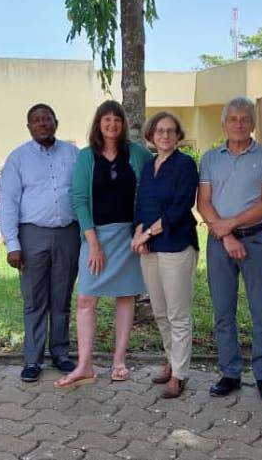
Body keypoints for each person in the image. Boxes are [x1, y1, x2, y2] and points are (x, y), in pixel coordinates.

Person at [54, 100, 152, 388]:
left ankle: (118, 360)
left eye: (117, 120)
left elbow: (151, 188)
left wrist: (143, 230)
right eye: (106, 119)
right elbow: (80, 201)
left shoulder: (138, 154)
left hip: (128, 237)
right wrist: (93, 243)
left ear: (123, 124)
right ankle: (84, 365)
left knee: (125, 296)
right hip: (95, 237)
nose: (112, 124)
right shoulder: (86, 157)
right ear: (98, 123)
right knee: (85, 299)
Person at [196, 96, 262, 402]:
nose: (239, 124)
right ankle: (230, 372)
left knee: (261, 310)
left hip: (256, 240)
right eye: (233, 119)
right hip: (220, 244)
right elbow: (203, 202)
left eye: (245, 119)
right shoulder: (209, 158)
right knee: (223, 311)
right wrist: (227, 235)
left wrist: (228, 225)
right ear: (224, 123)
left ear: (253, 124)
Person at [1, 104, 80, 383]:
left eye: (47, 119)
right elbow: (8, 202)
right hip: (32, 234)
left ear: (56, 122)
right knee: (34, 299)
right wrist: (12, 244)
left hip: (68, 234)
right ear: (29, 126)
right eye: (36, 120)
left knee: (62, 298)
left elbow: (82, 193)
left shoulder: (73, 155)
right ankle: (33, 359)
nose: (42, 124)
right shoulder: (18, 159)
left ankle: (60, 353)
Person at [131, 112, 199, 398]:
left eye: (171, 131)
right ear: (151, 135)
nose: (165, 135)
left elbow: (180, 208)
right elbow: (141, 202)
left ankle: (181, 375)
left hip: (177, 245)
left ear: (179, 135)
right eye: (160, 131)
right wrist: (137, 233)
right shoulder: (149, 165)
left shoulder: (186, 165)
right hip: (150, 249)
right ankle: (172, 362)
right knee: (160, 312)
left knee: (177, 314)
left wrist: (148, 233)